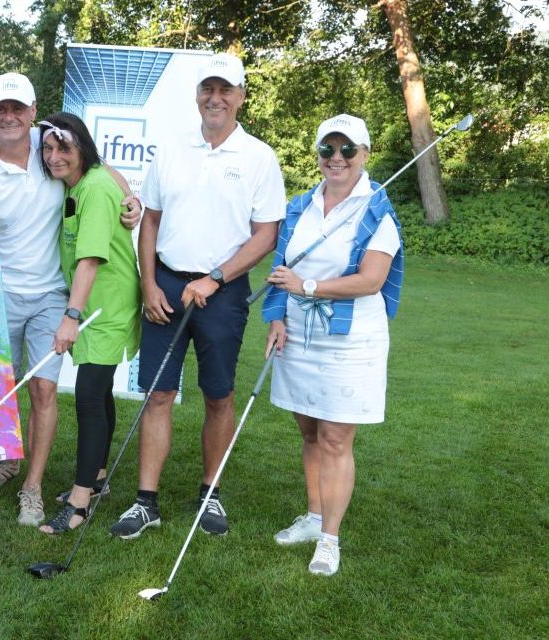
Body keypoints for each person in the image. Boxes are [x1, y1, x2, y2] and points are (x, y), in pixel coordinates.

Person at [0, 72, 141, 527]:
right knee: (2, 387)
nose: (10, 116)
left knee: (43, 389)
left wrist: (130, 195)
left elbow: (98, 165)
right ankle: (8, 459)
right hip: (2, 294)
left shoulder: (49, 142)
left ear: (33, 112)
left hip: (54, 293)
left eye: (18, 108)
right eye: (1, 109)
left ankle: (31, 488)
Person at [109, 53, 286, 540]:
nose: (216, 98)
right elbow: (151, 219)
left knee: (219, 396)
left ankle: (211, 493)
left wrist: (215, 277)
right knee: (158, 394)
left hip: (222, 292)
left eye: (226, 90)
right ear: (197, 95)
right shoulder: (171, 148)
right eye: (209, 89)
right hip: (165, 282)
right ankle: (146, 502)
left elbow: (266, 234)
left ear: (241, 97)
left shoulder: (259, 157)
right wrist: (148, 283)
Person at [262, 113, 404, 576]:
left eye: (347, 150)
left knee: (335, 438)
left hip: (351, 341)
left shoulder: (377, 209)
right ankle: (314, 514)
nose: (336, 158)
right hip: (299, 336)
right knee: (308, 432)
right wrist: (277, 317)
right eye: (328, 149)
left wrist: (307, 287)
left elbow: (370, 280)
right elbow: (280, 270)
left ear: (365, 155)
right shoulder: (300, 205)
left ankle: (330, 539)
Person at [35, 113, 141, 534]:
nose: (54, 157)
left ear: (82, 147)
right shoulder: (84, 180)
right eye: (48, 148)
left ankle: (79, 503)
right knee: (98, 396)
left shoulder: (94, 188)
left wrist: (70, 317)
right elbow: (108, 171)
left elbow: (91, 258)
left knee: (89, 397)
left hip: (105, 308)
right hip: (95, 305)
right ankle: (97, 479)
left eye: (64, 148)